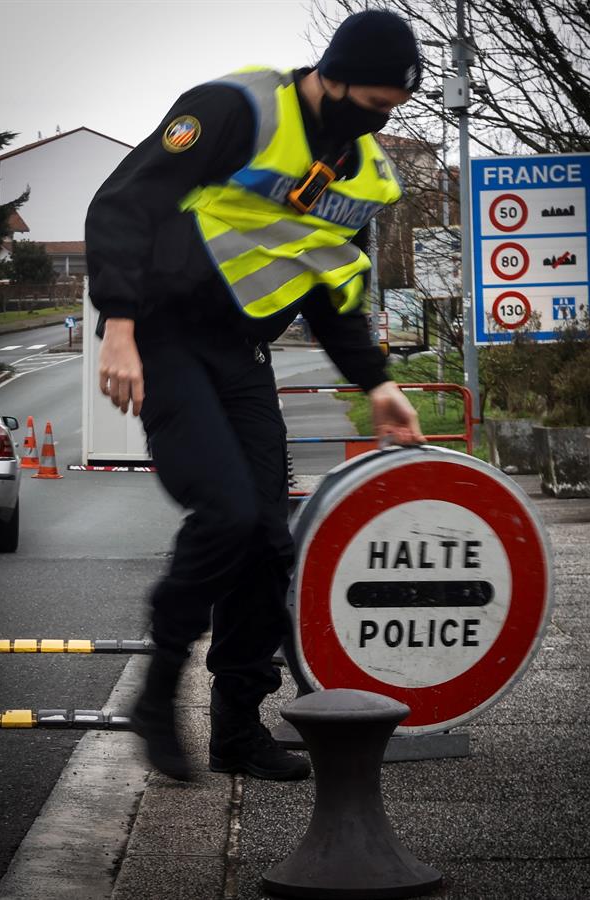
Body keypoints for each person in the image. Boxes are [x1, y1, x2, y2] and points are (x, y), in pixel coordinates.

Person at [85, 9, 425, 783]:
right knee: (228, 513)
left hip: (238, 355)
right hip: (163, 338)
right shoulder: (235, 109)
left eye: (393, 109)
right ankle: (155, 694)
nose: (378, 122)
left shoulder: (361, 173)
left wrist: (377, 383)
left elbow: (333, 289)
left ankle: (237, 730)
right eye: (373, 104)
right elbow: (123, 204)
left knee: (267, 540)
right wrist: (119, 324)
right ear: (332, 75)